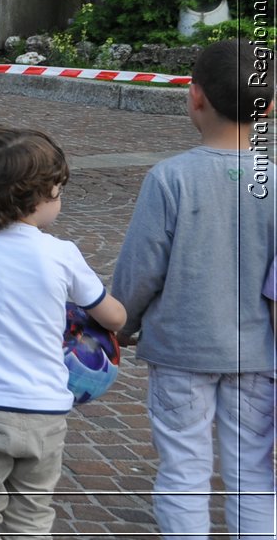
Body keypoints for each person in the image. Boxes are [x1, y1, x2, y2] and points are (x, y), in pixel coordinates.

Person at [111, 40, 276, 539]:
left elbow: (141, 269)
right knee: (253, 472)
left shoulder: (170, 178)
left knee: (183, 469)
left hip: (181, 349)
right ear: (269, 107)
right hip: (258, 354)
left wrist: (121, 323)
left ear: (195, 97)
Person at [0, 127, 126, 538]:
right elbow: (114, 318)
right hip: (45, 411)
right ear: (37, 198)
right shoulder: (61, 254)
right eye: (58, 190)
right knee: (31, 517)